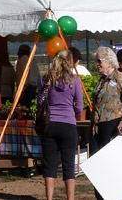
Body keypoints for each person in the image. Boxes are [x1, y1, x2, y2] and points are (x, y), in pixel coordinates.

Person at [90, 46, 122, 200]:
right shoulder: (102, 80)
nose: (97, 64)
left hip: (112, 126)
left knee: (112, 166)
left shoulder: (119, 78)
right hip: (97, 128)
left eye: (99, 60)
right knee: (97, 167)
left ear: (109, 62)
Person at [37, 49, 82, 200]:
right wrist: (70, 110)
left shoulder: (46, 79)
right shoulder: (75, 81)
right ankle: (71, 198)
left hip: (49, 124)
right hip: (68, 124)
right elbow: (80, 107)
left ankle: (49, 198)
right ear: (70, 61)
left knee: (49, 164)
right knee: (68, 165)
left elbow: (40, 103)